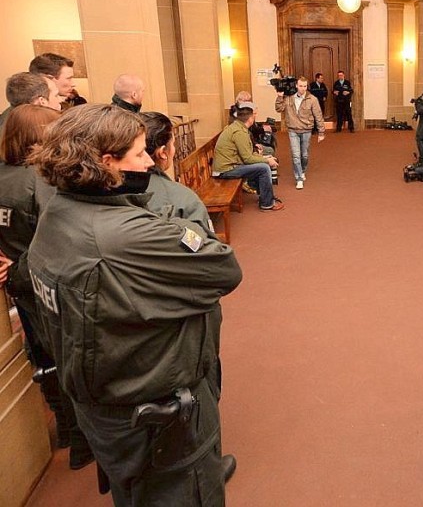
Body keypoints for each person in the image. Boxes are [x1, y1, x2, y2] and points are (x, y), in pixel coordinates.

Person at [27, 104, 243, 506]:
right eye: (140, 152)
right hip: (158, 415)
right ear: (108, 164)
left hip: (103, 404)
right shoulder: (127, 236)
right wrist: (172, 225)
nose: (150, 160)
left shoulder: (57, 212)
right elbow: (223, 267)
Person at [141, 111, 237, 481]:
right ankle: (205, 465)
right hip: (182, 316)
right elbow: (214, 267)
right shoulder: (178, 199)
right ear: (165, 151)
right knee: (199, 385)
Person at [0, 104, 94, 470]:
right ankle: (84, 441)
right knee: (71, 360)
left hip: (21, 288)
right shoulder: (40, 183)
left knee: (45, 359)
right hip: (49, 284)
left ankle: (69, 431)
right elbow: (57, 237)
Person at [214, 104, 283, 211]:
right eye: (254, 115)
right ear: (250, 119)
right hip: (226, 170)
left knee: (262, 165)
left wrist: (266, 157)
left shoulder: (237, 127)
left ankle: (266, 197)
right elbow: (247, 158)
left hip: (231, 164)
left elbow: (247, 154)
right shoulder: (239, 132)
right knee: (264, 168)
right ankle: (267, 203)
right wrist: (267, 160)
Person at [274, 76, 325, 189]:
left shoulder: (312, 99)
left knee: (304, 155)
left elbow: (318, 115)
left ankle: (302, 171)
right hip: (293, 130)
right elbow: (279, 109)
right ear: (296, 86)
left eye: (305, 86)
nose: (303, 88)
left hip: (306, 130)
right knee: (296, 155)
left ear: (307, 86)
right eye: (300, 86)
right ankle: (299, 178)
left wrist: (321, 132)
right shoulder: (289, 98)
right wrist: (279, 97)